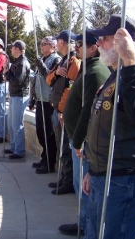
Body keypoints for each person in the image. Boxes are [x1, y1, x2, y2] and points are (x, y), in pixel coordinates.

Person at [82, 15, 135, 239]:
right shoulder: (116, 75)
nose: (99, 44)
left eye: (106, 38)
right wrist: (92, 170)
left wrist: (130, 60)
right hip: (103, 176)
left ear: (122, 42)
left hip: (124, 180)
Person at [57, 31, 111, 236]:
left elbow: (89, 110)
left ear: (93, 48)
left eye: (81, 44)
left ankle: (86, 227)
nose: (76, 47)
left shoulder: (96, 72)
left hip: (84, 143)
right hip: (79, 139)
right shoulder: (89, 69)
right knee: (83, 189)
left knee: (86, 190)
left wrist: (78, 141)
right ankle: (83, 222)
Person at [45, 30, 80, 193]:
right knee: (61, 146)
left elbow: (71, 88)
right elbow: (48, 79)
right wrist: (57, 72)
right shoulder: (63, 62)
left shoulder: (74, 62)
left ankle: (68, 183)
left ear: (63, 42)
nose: (56, 43)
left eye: (57, 41)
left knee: (66, 148)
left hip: (62, 112)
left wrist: (63, 110)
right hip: (56, 109)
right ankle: (63, 178)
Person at [30, 36, 62, 174]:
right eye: (41, 44)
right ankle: (44, 157)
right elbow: (36, 80)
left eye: (45, 44)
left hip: (49, 101)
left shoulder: (56, 60)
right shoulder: (42, 60)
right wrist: (32, 98)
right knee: (40, 132)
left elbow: (51, 77)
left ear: (53, 46)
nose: (42, 46)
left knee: (49, 133)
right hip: (40, 100)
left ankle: (50, 162)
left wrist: (40, 65)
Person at [3, 40, 30, 159]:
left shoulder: (22, 63)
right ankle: (14, 147)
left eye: (12, 48)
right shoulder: (17, 62)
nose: (11, 50)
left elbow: (17, 81)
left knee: (17, 124)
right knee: (11, 123)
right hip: (15, 95)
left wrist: (7, 74)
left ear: (18, 49)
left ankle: (19, 151)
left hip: (20, 95)